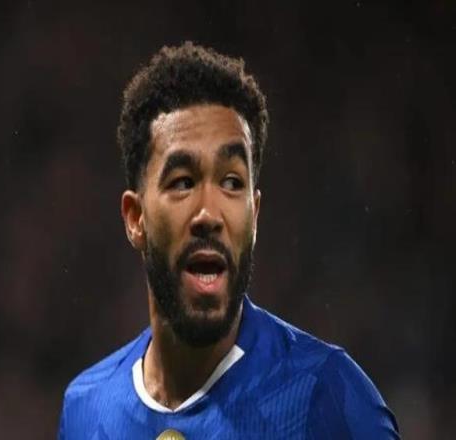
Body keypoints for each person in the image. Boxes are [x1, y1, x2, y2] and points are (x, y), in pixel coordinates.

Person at [58, 42, 400, 439]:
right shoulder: (86, 409)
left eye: (232, 182)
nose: (209, 214)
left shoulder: (328, 396)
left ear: (255, 215)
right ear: (135, 219)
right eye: (182, 182)